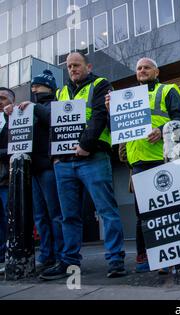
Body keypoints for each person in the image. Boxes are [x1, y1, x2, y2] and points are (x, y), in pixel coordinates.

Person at [40, 51, 126, 280]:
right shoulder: (61, 92)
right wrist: (55, 157)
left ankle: (115, 260)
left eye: (76, 65)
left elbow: (100, 116)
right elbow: (56, 126)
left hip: (93, 156)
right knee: (69, 215)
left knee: (106, 210)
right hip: (65, 163)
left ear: (88, 66)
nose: (72, 69)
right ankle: (69, 263)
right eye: (69, 66)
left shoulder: (100, 84)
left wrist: (85, 144)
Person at [105, 57, 180, 273]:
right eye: (139, 68)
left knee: (167, 209)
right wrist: (111, 111)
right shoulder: (128, 97)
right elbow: (115, 130)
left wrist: (162, 130)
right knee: (143, 213)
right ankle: (145, 256)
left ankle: (170, 255)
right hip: (137, 162)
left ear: (157, 71)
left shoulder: (168, 91)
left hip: (162, 158)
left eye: (147, 67)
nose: (142, 70)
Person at [4, 70, 64, 273]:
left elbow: (53, 120)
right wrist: (12, 112)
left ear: (49, 87)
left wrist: (35, 108)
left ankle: (59, 254)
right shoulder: (29, 108)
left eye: (38, 86)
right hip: (35, 169)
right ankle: (46, 255)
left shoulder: (52, 105)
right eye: (34, 86)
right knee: (40, 216)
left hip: (48, 166)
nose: (34, 89)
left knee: (54, 213)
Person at [0, 87, 14, 275]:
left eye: (3, 98)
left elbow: (17, 146)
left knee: (7, 218)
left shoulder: (15, 118)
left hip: (7, 180)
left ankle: (8, 254)